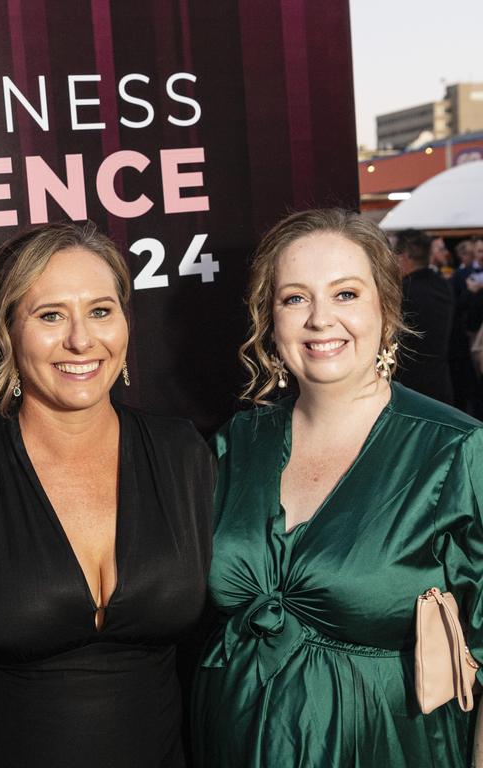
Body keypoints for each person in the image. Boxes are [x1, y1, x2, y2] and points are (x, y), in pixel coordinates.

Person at [0, 222, 214, 768]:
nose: (81, 339)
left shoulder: (184, 455)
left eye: (101, 311)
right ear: (8, 331)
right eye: (50, 315)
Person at [192, 209, 483, 767]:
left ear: (386, 309)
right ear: (269, 318)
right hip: (233, 737)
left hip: (387, 746)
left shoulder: (456, 450)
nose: (321, 320)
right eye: (295, 298)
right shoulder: (237, 443)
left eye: (345, 294)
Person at [393, 228, 455, 404]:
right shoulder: (443, 285)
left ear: (404, 256)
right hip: (441, 384)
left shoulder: (403, 291)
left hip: (409, 389)